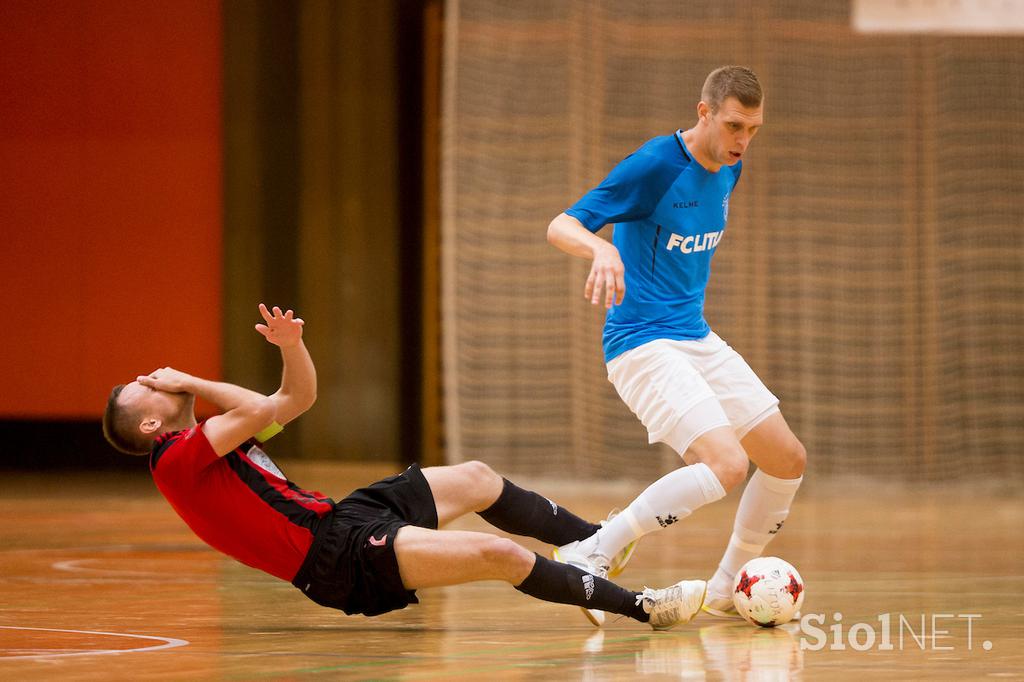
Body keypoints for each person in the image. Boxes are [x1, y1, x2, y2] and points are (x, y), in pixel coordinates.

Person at [101, 303, 706, 629]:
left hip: (340, 520)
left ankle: (595, 544)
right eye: (142, 387)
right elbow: (263, 406)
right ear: (152, 425)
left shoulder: (203, 448)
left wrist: (291, 348)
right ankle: (643, 607)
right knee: (498, 555)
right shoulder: (177, 458)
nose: (150, 378)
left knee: (475, 478)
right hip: (332, 560)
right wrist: (188, 379)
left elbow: (295, 400)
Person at [546, 66, 806, 623]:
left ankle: (724, 589)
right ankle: (590, 550)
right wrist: (600, 250)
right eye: (734, 126)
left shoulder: (732, 169)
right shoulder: (654, 166)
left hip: (695, 336)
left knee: (786, 460)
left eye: (754, 130)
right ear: (704, 112)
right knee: (726, 464)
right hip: (641, 343)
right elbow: (561, 224)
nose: (743, 141)